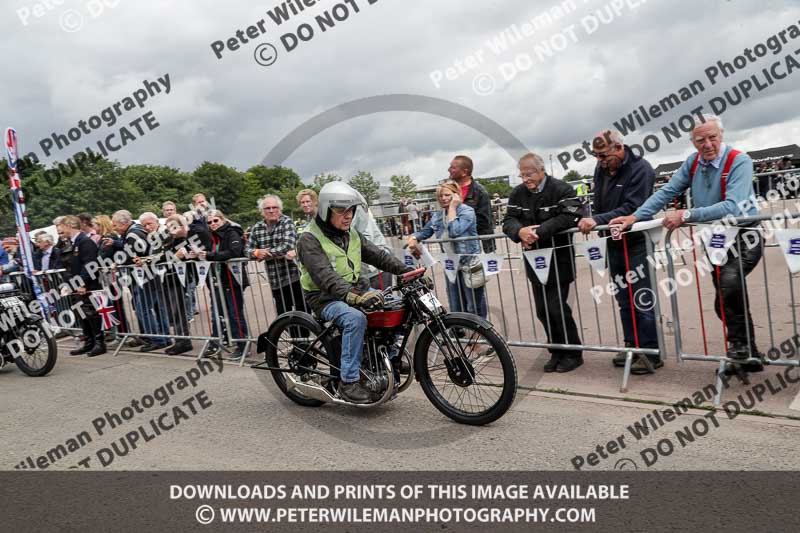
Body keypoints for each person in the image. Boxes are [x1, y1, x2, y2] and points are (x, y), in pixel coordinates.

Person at [611, 114, 763, 373]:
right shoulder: (693, 162)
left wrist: (687, 215)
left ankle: (739, 346)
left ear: (721, 135)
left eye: (712, 137)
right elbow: (667, 192)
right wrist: (635, 216)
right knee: (726, 295)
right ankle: (749, 352)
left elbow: (733, 205)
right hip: (714, 237)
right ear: (693, 142)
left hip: (743, 233)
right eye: (700, 140)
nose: (707, 144)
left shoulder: (740, 160)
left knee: (729, 284)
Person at [296, 182, 412, 404]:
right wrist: (355, 298)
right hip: (324, 297)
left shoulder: (351, 234)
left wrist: (407, 271)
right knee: (355, 318)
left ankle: (388, 358)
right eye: (342, 211)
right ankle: (348, 382)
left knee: (395, 305)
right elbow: (325, 277)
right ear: (326, 210)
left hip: (356, 290)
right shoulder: (308, 239)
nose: (348, 216)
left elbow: (379, 256)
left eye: (351, 210)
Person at [578, 130, 660, 374]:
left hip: (636, 242)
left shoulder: (641, 169)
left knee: (641, 297)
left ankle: (650, 352)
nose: (600, 161)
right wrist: (594, 219)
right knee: (623, 298)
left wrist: (597, 220)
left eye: (603, 155)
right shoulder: (601, 170)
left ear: (618, 148)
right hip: (613, 243)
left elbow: (633, 207)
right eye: (596, 156)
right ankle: (631, 345)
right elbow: (600, 202)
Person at [503, 153, 584, 373]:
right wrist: (519, 231)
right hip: (534, 260)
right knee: (542, 310)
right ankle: (556, 350)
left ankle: (573, 352)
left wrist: (538, 232)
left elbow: (570, 215)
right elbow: (508, 220)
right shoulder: (518, 194)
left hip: (559, 258)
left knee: (556, 306)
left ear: (541, 171)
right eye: (522, 175)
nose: (525, 179)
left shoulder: (562, 189)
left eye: (529, 174)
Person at [408, 181, 487, 319]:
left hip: (469, 264)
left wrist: (452, 208)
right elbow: (425, 232)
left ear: (456, 195)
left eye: (447, 195)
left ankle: (482, 333)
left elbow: (455, 231)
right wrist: (414, 238)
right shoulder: (437, 215)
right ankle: (458, 331)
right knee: (455, 304)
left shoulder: (467, 211)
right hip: (451, 265)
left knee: (473, 305)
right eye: (440, 196)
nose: (443, 198)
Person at [198, 209, 250, 361]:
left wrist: (210, 255)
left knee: (235, 314)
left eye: (216, 221)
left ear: (222, 219)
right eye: (209, 222)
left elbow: (234, 252)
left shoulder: (231, 232)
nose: (213, 224)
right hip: (220, 280)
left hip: (233, 279)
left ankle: (242, 345)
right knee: (224, 313)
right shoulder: (212, 236)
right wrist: (200, 254)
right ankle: (233, 342)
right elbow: (210, 252)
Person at [246, 195, 307, 317]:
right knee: (284, 316)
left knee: (302, 314)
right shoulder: (257, 228)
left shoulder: (287, 222)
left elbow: (288, 245)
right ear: (262, 211)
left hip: (294, 276)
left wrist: (266, 254)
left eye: (275, 207)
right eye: (267, 208)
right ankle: (292, 336)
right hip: (275, 280)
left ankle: (305, 336)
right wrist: (257, 253)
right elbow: (247, 249)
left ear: (280, 209)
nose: (271, 210)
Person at [161, 214, 212, 355]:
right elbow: (163, 255)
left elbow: (205, 251)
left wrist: (185, 256)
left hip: (189, 277)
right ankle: (181, 340)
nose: (169, 230)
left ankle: (184, 341)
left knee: (179, 311)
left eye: (172, 227)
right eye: (168, 227)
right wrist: (174, 256)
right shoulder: (172, 238)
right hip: (172, 277)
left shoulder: (196, 233)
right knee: (174, 312)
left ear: (182, 225)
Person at [58, 215, 105, 357]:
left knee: (91, 313)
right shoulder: (73, 242)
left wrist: (82, 283)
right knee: (82, 314)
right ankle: (89, 342)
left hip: (87, 285)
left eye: (61, 227)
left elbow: (90, 265)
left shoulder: (85, 242)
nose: (59, 230)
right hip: (76, 285)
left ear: (70, 226)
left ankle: (99, 343)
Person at [448, 155, 496, 252]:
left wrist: (460, 226)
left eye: (453, 167)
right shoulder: (448, 189)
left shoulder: (480, 192)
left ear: (464, 172)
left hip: (476, 244)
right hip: (455, 244)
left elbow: (484, 222)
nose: (449, 169)